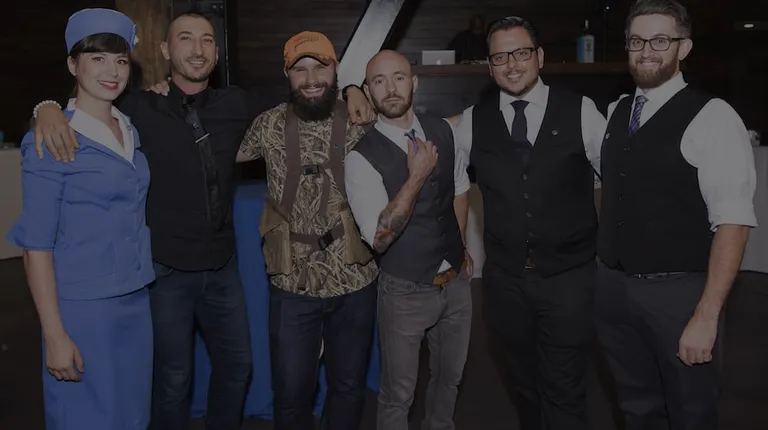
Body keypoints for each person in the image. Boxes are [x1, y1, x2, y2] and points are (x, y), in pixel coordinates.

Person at [31, 13, 374, 430]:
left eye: (207, 40)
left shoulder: (238, 105)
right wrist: (46, 108)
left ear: (216, 52)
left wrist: (353, 88)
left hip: (222, 268)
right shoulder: (137, 106)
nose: (197, 49)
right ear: (165, 49)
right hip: (164, 272)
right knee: (173, 381)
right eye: (186, 38)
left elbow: (308, 87)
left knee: (237, 368)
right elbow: (83, 106)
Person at [595, 1, 757, 429]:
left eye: (660, 41)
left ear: (683, 48)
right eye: (636, 41)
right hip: (614, 291)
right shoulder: (617, 111)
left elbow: (734, 223)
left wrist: (706, 315)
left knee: (691, 413)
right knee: (636, 408)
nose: (646, 51)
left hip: (678, 295)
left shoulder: (713, 117)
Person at [448, 16, 607, 430]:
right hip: (506, 283)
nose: (512, 64)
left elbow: (621, 181)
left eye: (521, 53)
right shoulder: (472, 121)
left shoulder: (582, 111)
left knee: (564, 387)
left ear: (539, 56)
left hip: (570, 279)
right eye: (500, 57)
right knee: (524, 385)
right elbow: (446, 177)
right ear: (489, 66)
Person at [6, 8, 154, 430]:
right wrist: (54, 335)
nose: (112, 71)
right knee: (87, 418)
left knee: (133, 417)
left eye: (121, 60)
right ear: (73, 65)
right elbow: (36, 246)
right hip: (84, 308)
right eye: (97, 58)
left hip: (136, 299)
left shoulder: (129, 128)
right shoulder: (53, 137)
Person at [237, 31, 378, 430]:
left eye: (321, 67)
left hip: (354, 277)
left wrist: (356, 89)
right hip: (291, 283)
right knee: (291, 391)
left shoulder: (362, 120)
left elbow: (409, 124)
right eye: (300, 69)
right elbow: (207, 147)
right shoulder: (267, 125)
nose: (312, 78)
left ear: (336, 69)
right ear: (287, 74)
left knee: (348, 387)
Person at [344, 49, 473, 430]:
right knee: (399, 395)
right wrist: (416, 177)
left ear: (414, 82)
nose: (390, 88)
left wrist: (462, 248)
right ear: (368, 92)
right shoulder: (360, 159)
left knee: (449, 379)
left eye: (398, 77)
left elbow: (459, 190)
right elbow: (379, 238)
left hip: (456, 285)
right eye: (379, 81)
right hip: (405, 291)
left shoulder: (444, 130)